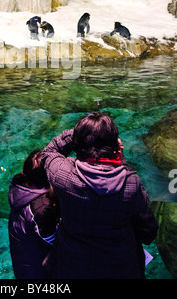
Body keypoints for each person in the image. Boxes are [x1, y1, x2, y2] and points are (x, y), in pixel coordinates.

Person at [41, 112, 158, 279]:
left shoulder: (63, 175)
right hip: (119, 268)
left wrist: (79, 133)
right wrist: (120, 157)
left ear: (79, 143)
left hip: (72, 265)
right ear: (115, 145)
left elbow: (50, 151)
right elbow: (147, 230)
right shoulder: (131, 184)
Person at [8, 149, 60, 279]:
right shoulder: (41, 208)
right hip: (38, 271)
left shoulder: (18, 186)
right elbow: (52, 241)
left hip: (23, 265)